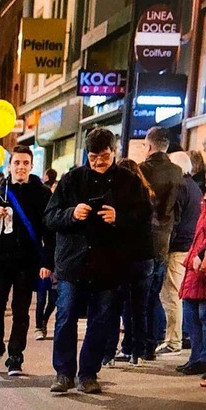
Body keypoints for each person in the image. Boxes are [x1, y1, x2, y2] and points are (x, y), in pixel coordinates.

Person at [45, 128, 151, 394]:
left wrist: (120, 218)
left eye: (103, 156)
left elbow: (144, 220)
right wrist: (71, 214)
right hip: (73, 263)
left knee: (102, 320)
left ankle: (89, 373)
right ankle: (63, 372)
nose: (99, 163)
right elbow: (49, 217)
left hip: (110, 264)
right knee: (66, 317)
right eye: (93, 157)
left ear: (113, 152)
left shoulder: (129, 180)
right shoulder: (72, 179)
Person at [0, 145, 54, 376]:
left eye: (25, 163)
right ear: (9, 166)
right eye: (17, 163)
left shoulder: (42, 194)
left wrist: (47, 263)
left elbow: (49, 230)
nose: (21, 167)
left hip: (28, 261)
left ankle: (15, 356)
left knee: (21, 310)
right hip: (0, 261)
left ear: (32, 166)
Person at [102, 159, 155, 368]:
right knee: (139, 308)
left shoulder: (120, 199)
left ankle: (109, 353)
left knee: (115, 307)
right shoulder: (147, 195)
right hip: (145, 258)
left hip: (124, 259)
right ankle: (137, 352)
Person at [138, 127, 183, 359]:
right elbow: (179, 210)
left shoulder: (141, 170)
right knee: (156, 295)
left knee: (139, 296)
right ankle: (151, 345)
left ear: (149, 146)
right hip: (165, 242)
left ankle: (138, 344)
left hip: (143, 242)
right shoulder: (178, 172)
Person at [157, 152, 202, 357]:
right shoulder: (194, 187)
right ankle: (178, 337)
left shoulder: (181, 187)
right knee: (179, 295)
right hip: (188, 246)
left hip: (179, 247)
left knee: (171, 294)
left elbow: (175, 219)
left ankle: (173, 340)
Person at [177, 194, 206, 378]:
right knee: (191, 311)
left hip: (201, 262)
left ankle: (202, 359)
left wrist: (202, 253)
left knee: (203, 315)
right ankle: (197, 358)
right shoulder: (202, 201)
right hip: (195, 261)